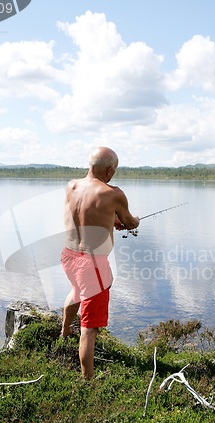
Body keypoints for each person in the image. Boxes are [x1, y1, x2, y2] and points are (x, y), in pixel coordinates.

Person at [60, 147, 139, 379]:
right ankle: (88, 384)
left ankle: (64, 332)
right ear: (110, 169)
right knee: (90, 329)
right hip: (92, 264)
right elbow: (130, 222)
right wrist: (133, 221)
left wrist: (110, 218)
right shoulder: (113, 193)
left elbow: (83, 212)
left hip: (68, 255)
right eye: (114, 170)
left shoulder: (72, 185)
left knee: (76, 290)